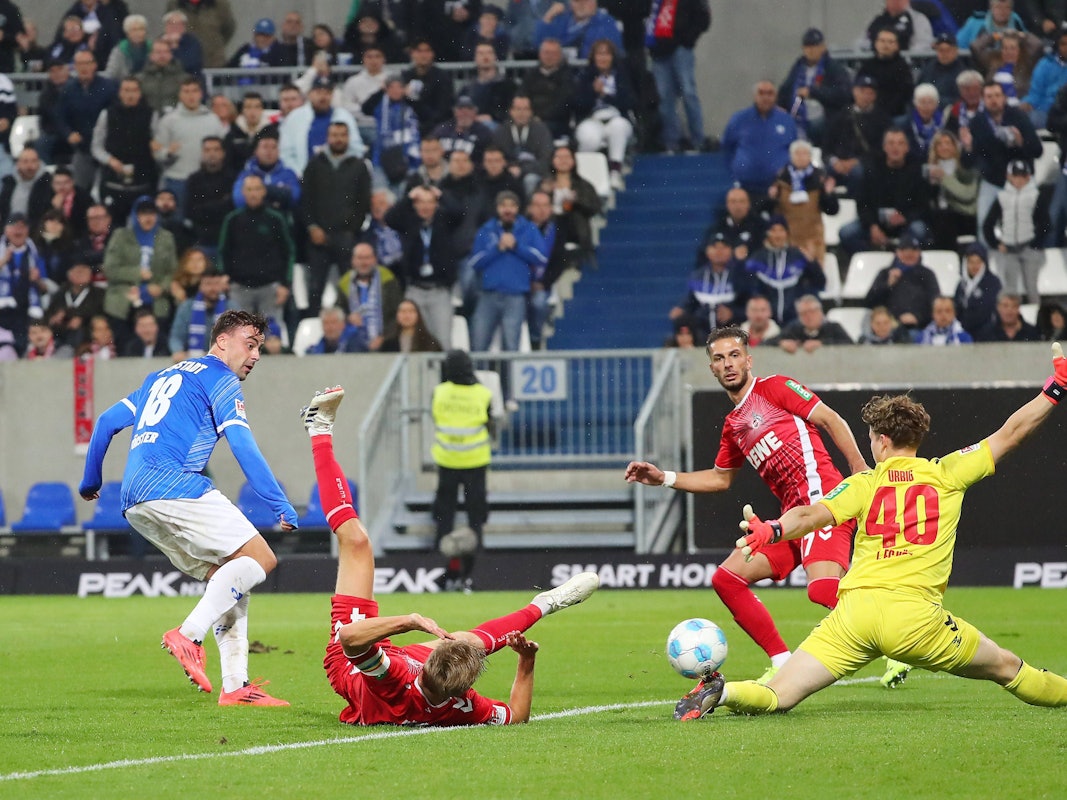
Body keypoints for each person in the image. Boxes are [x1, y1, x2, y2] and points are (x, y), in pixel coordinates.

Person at [681, 350, 1067, 720]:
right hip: (916, 620)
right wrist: (1055, 389)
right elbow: (1012, 433)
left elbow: (811, 514)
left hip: (854, 617)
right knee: (1007, 667)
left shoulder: (865, 482)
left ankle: (724, 692)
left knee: (778, 695)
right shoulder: (948, 473)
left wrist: (774, 529)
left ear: (882, 440)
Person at [298, 385, 598, 723]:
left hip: (352, 664)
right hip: (401, 675)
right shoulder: (462, 705)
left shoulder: (394, 677)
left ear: (424, 666)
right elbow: (516, 715)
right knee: (474, 642)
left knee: (356, 541)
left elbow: (349, 639)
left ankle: (319, 429)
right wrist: (526, 662)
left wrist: (409, 621)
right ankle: (546, 603)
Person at [625, 325, 871, 686]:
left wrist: (860, 469)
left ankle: (895, 630)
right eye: (719, 358)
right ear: (711, 367)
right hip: (791, 518)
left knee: (821, 590)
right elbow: (720, 479)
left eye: (734, 355)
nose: (728, 364)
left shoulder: (776, 388)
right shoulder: (733, 425)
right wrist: (664, 477)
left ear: (748, 360)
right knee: (727, 579)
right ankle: (782, 661)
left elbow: (830, 419)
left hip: (822, 504)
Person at [79, 309, 296, 705]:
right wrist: (278, 501)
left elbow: (107, 421)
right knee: (261, 559)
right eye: (250, 344)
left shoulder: (160, 377)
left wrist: (90, 481)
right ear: (222, 341)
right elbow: (242, 445)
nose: (255, 355)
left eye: (259, 348)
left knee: (230, 578)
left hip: (134, 500)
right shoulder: (220, 379)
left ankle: (236, 686)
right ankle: (189, 634)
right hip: (174, 484)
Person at [429, 351, 502, 590]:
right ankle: (474, 569)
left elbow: (436, 417)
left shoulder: (439, 392)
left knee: (444, 515)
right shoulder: (483, 394)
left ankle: (442, 565)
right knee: (476, 516)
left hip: (447, 460)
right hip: (475, 461)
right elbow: (490, 423)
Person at [300, 121, 373, 317]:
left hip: (346, 237)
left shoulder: (359, 166)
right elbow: (305, 200)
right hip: (317, 237)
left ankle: (351, 328)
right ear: (327, 138)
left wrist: (351, 230)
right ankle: (314, 326)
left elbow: (363, 202)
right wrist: (312, 227)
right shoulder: (314, 165)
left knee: (349, 289)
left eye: (342, 135)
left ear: (348, 138)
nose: (338, 139)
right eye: (334, 135)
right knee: (315, 289)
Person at [960, 80, 1042, 247]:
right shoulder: (977, 122)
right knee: (983, 224)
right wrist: (967, 147)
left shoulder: (1019, 117)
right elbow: (966, 163)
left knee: (1029, 225)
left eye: (997, 95)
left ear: (1004, 98)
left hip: (1021, 181)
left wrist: (1021, 142)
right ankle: (986, 258)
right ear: (983, 100)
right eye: (989, 96)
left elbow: (1038, 151)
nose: (994, 100)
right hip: (992, 182)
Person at [469, 190, 548, 353]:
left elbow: (541, 258)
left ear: (518, 208)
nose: (508, 210)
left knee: (511, 345)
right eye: (503, 205)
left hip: (515, 296)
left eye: (512, 205)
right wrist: (497, 249)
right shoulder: (486, 229)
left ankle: (509, 372)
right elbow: (474, 262)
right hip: (488, 295)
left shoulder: (529, 229)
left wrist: (516, 246)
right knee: (479, 344)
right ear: (497, 208)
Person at [840, 127, 930, 257]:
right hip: (876, 222)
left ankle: (902, 261)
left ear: (907, 148)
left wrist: (905, 217)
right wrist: (872, 226)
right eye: (891, 143)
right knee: (846, 233)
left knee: (919, 230)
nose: (895, 148)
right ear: (884, 147)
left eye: (900, 143)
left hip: (905, 223)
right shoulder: (871, 170)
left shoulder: (916, 171)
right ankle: (873, 258)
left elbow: (923, 206)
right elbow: (863, 204)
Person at [217, 174, 294, 323]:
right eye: (249, 189)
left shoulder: (276, 219)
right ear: (243, 192)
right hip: (239, 287)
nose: (253, 194)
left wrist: (285, 284)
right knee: (239, 333)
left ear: (264, 191)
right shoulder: (232, 219)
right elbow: (223, 250)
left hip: (270, 287)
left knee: (270, 334)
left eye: (257, 189)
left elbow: (288, 252)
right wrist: (223, 275)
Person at [152, 77, 225, 211]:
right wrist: (168, 153)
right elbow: (157, 154)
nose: (191, 96)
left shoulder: (213, 120)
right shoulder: (168, 121)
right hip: (177, 180)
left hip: (205, 181)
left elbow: (222, 151)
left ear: (201, 94)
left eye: (194, 91)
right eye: (186, 91)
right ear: (180, 95)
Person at [91, 75, 157, 224]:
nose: (130, 94)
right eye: (126, 90)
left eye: (134, 90)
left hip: (142, 184)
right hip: (112, 184)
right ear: (120, 93)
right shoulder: (107, 114)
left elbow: (157, 146)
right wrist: (110, 160)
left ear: (140, 93)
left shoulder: (151, 115)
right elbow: (96, 147)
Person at [647, 0, 711, 153]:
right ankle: (671, 142)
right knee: (664, 99)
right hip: (659, 52)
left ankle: (698, 140)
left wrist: (688, 39)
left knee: (688, 93)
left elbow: (704, 18)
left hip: (680, 49)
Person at [982, 158, 1049, 304]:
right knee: (1011, 289)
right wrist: (996, 243)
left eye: (1022, 176)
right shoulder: (1002, 197)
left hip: (1029, 248)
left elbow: (1046, 223)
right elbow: (987, 224)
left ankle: (1037, 316)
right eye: (1015, 176)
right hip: (1010, 249)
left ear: (1028, 177)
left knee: (1031, 287)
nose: (1019, 180)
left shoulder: (1035, 196)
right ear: (1009, 176)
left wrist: (1036, 244)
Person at [573, 38, 634, 190]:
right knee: (590, 138)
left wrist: (605, 95)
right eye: (599, 54)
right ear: (593, 57)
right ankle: (586, 178)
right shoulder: (584, 76)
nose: (603, 58)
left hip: (616, 117)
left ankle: (615, 172)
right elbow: (577, 104)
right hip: (591, 119)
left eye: (606, 54)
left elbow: (630, 102)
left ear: (612, 57)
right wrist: (593, 92)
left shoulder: (622, 75)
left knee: (618, 127)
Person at [767, 139, 839, 264]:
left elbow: (832, 210)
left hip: (813, 238)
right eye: (797, 154)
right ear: (791, 156)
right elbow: (769, 210)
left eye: (804, 153)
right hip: (787, 239)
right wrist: (771, 198)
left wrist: (828, 195)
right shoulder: (780, 179)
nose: (801, 157)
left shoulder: (820, 178)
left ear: (810, 156)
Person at [744, 215, 824, 326]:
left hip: (796, 321)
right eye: (773, 230)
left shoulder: (798, 256)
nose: (777, 235)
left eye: (781, 230)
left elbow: (820, 283)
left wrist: (812, 262)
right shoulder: (757, 258)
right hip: (766, 322)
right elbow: (749, 288)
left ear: (787, 233)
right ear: (767, 233)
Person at [777, 28, 852, 147]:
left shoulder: (833, 68)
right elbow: (785, 89)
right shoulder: (798, 67)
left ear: (823, 47)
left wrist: (814, 92)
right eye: (808, 47)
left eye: (815, 46)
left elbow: (843, 94)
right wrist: (779, 105)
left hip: (825, 120)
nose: (811, 50)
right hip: (798, 117)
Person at [721, 81, 797, 198]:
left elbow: (794, 149)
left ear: (776, 96)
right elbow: (727, 148)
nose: (765, 97)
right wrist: (735, 171)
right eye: (761, 93)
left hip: (778, 187)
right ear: (754, 96)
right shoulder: (739, 119)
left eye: (770, 93)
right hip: (745, 186)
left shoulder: (786, 120)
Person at [670, 230, 749, 342]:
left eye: (723, 247)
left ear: (731, 251)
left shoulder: (739, 275)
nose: (719, 251)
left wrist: (732, 313)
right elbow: (690, 302)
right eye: (715, 247)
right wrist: (681, 310)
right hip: (702, 334)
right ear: (707, 251)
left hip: (732, 333)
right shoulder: (698, 276)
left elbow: (749, 304)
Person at [279, 75, 365, 177]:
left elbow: (356, 149)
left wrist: (344, 173)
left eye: (327, 93)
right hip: (302, 176)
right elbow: (286, 153)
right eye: (318, 92)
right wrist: (299, 174)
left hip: (339, 177)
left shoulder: (344, 116)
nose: (323, 97)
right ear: (310, 94)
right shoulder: (295, 117)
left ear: (332, 95)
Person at [864, 233, 941, 332]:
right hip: (888, 329)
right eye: (904, 250)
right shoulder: (885, 273)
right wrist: (888, 285)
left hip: (919, 327)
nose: (909, 254)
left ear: (919, 253)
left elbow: (935, 303)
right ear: (897, 252)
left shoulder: (927, 274)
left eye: (913, 250)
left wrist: (918, 318)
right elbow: (869, 302)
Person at [336, 241, 401, 352]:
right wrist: (348, 318)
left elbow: (397, 313)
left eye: (367, 258)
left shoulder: (388, 279)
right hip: (354, 344)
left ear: (375, 260)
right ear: (353, 261)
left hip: (386, 343)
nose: (364, 262)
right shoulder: (344, 282)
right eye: (360, 258)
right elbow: (339, 311)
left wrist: (384, 337)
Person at [925, 130, 979, 249]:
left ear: (955, 146)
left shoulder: (965, 166)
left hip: (963, 214)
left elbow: (967, 194)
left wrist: (944, 178)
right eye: (940, 144)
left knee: (944, 217)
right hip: (938, 216)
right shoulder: (929, 169)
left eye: (948, 143)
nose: (944, 147)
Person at [184, 136, 235, 253]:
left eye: (216, 150)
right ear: (202, 154)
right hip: (201, 238)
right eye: (207, 150)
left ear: (223, 153)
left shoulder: (233, 178)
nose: (212, 154)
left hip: (228, 238)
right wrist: (221, 203)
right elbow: (191, 211)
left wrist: (207, 207)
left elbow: (232, 209)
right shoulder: (193, 180)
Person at [169, 267, 229, 360]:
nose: (213, 288)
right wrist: (178, 351)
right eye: (208, 284)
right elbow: (176, 337)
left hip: (223, 362)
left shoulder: (231, 307)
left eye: (216, 284)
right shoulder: (187, 307)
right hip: (193, 361)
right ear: (200, 286)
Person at [520, 37, 575, 139]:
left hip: (556, 122)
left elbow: (563, 104)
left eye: (553, 53)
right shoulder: (530, 75)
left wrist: (540, 117)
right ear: (540, 54)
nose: (549, 56)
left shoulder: (567, 77)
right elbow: (522, 96)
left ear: (560, 55)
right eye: (546, 52)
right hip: (529, 118)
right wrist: (528, 115)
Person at [856, 27, 914, 119]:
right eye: (882, 41)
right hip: (868, 113)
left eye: (890, 42)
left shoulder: (902, 68)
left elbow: (904, 95)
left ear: (897, 45)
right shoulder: (867, 66)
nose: (885, 45)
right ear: (876, 43)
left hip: (893, 115)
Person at [401, 38, 455, 134]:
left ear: (432, 54)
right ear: (412, 53)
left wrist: (414, 99)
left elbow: (443, 109)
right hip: (408, 125)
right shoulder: (405, 76)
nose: (423, 55)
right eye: (419, 51)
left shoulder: (442, 77)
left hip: (436, 126)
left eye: (427, 51)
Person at [534, 0, 622, 59]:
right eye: (577, 1)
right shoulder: (561, 20)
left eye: (586, 1)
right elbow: (538, 45)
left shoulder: (606, 22)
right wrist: (548, 17)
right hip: (561, 73)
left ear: (595, 2)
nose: (582, 5)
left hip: (588, 72)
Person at [954, 241, 1003, 336]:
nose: (974, 266)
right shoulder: (961, 284)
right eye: (971, 262)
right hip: (963, 330)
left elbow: (986, 311)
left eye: (978, 262)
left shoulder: (993, 282)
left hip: (984, 331)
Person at [775, 294, 854, 352]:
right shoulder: (794, 330)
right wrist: (782, 343)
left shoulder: (833, 328)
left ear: (820, 312)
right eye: (803, 313)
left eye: (812, 312)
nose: (808, 316)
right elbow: (770, 342)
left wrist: (822, 344)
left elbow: (851, 345)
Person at [918, 33, 966, 104]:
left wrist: (935, 101)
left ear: (955, 51)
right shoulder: (928, 69)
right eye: (941, 50)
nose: (944, 54)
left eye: (948, 50)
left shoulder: (962, 73)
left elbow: (960, 100)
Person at [976, 290, 1043, 340]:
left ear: (1019, 308)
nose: (1009, 310)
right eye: (1005, 306)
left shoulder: (1032, 333)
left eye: (1014, 306)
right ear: (998, 307)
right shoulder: (986, 334)